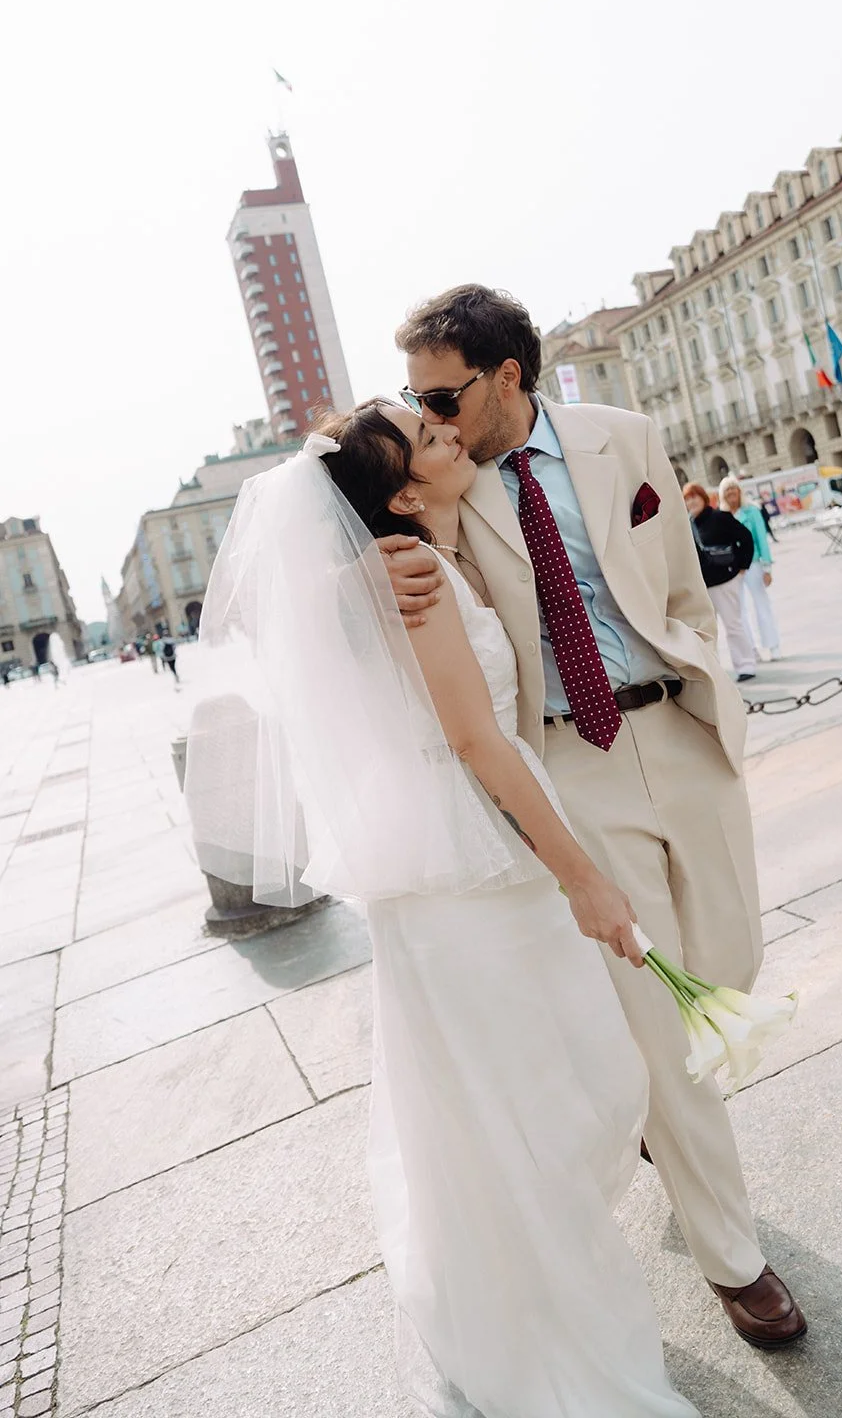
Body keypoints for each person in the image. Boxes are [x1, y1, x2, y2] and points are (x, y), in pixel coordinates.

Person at [190, 408, 705, 1417]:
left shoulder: (413, 556)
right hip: (479, 876)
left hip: (462, 871)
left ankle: (508, 1317)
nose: (446, 431)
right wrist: (582, 878)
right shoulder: (409, 579)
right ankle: (558, 1355)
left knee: (515, 1115)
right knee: (538, 1119)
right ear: (403, 497)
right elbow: (478, 742)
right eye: (424, 436)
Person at [384, 284, 806, 1350]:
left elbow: (678, 592)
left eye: (441, 391)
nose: (427, 414)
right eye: (414, 395)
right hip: (576, 760)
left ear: (506, 377)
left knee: (729, 965)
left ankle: (671, 1128)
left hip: (682, 733)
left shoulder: (625, 438)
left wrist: (703, 669)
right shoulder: (446, 489)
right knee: (665, 1028)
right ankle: (733, 1258)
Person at [682, 482, 757, 683]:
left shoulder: (720, 517)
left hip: (725, 580)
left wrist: (743, 566)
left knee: (733, 624)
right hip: (703, 585)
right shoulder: (687, 525)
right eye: (687, 498)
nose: (691, 501)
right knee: (705, 630)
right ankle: (714, 672)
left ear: (703, 498)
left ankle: (746, 664)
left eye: (694, 496)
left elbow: (746, 538)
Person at [720, 476, 781, 662]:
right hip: (733, 568)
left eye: (734, 489)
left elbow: (762, 539)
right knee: (738, 611)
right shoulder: (722, 516)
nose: (731, 493)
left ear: (739, 491)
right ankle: (750, 649)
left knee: (762, 604)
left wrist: (767, 566)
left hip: (753, 563)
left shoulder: (752, 511)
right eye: (727, 490)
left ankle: (772, 645)